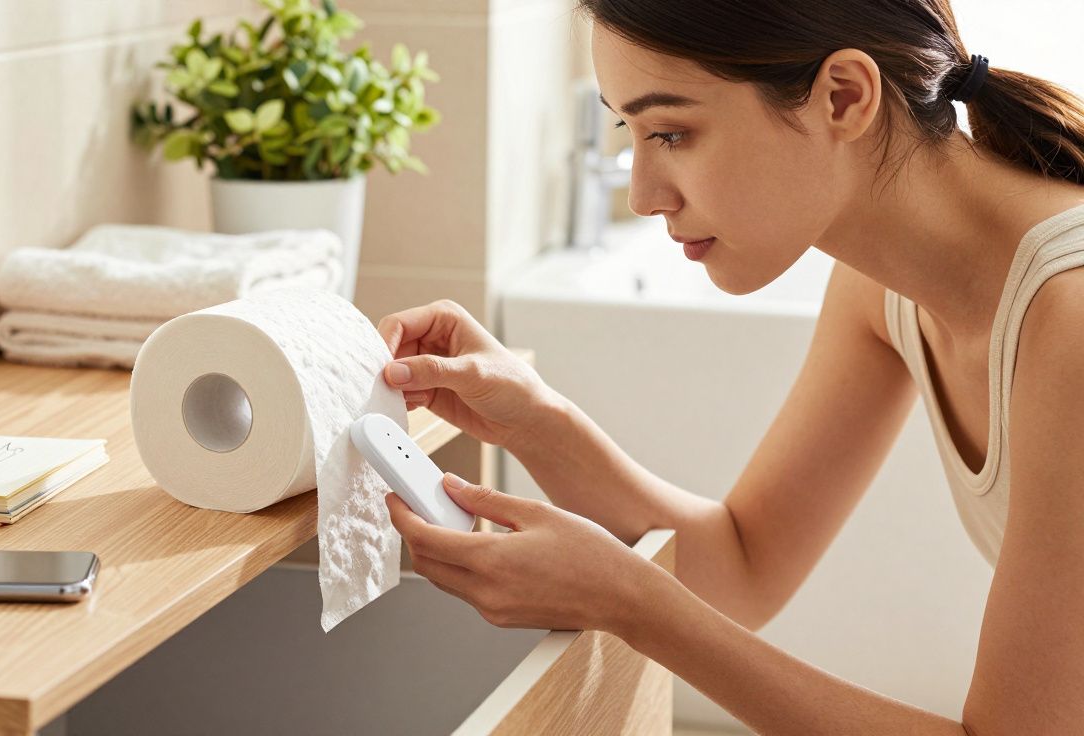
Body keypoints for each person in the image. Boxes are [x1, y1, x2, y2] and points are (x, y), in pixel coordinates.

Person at [375, 0, 1084, 733]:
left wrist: (631, 603)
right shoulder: (881, 289)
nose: (643, 196)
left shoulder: (1070, 321)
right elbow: (744, 568)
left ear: (844, 97)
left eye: (672, 133)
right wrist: (534, 420)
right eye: (630, 133)